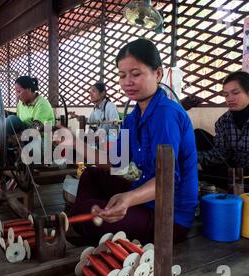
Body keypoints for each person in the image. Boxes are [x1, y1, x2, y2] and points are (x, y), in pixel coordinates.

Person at [63, 39, 198, 245]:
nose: (127, 82)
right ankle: (89, 224)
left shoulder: (166, 114)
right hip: (144, 194)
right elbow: (116, 162)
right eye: (122, 75)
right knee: (91, 175)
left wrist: (128, 199)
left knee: (85, 212)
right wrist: (75, 143)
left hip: (167, 216)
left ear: (158, 74)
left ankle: (88, 224)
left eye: (136, 74)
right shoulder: (133, 117)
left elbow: (167, 181)